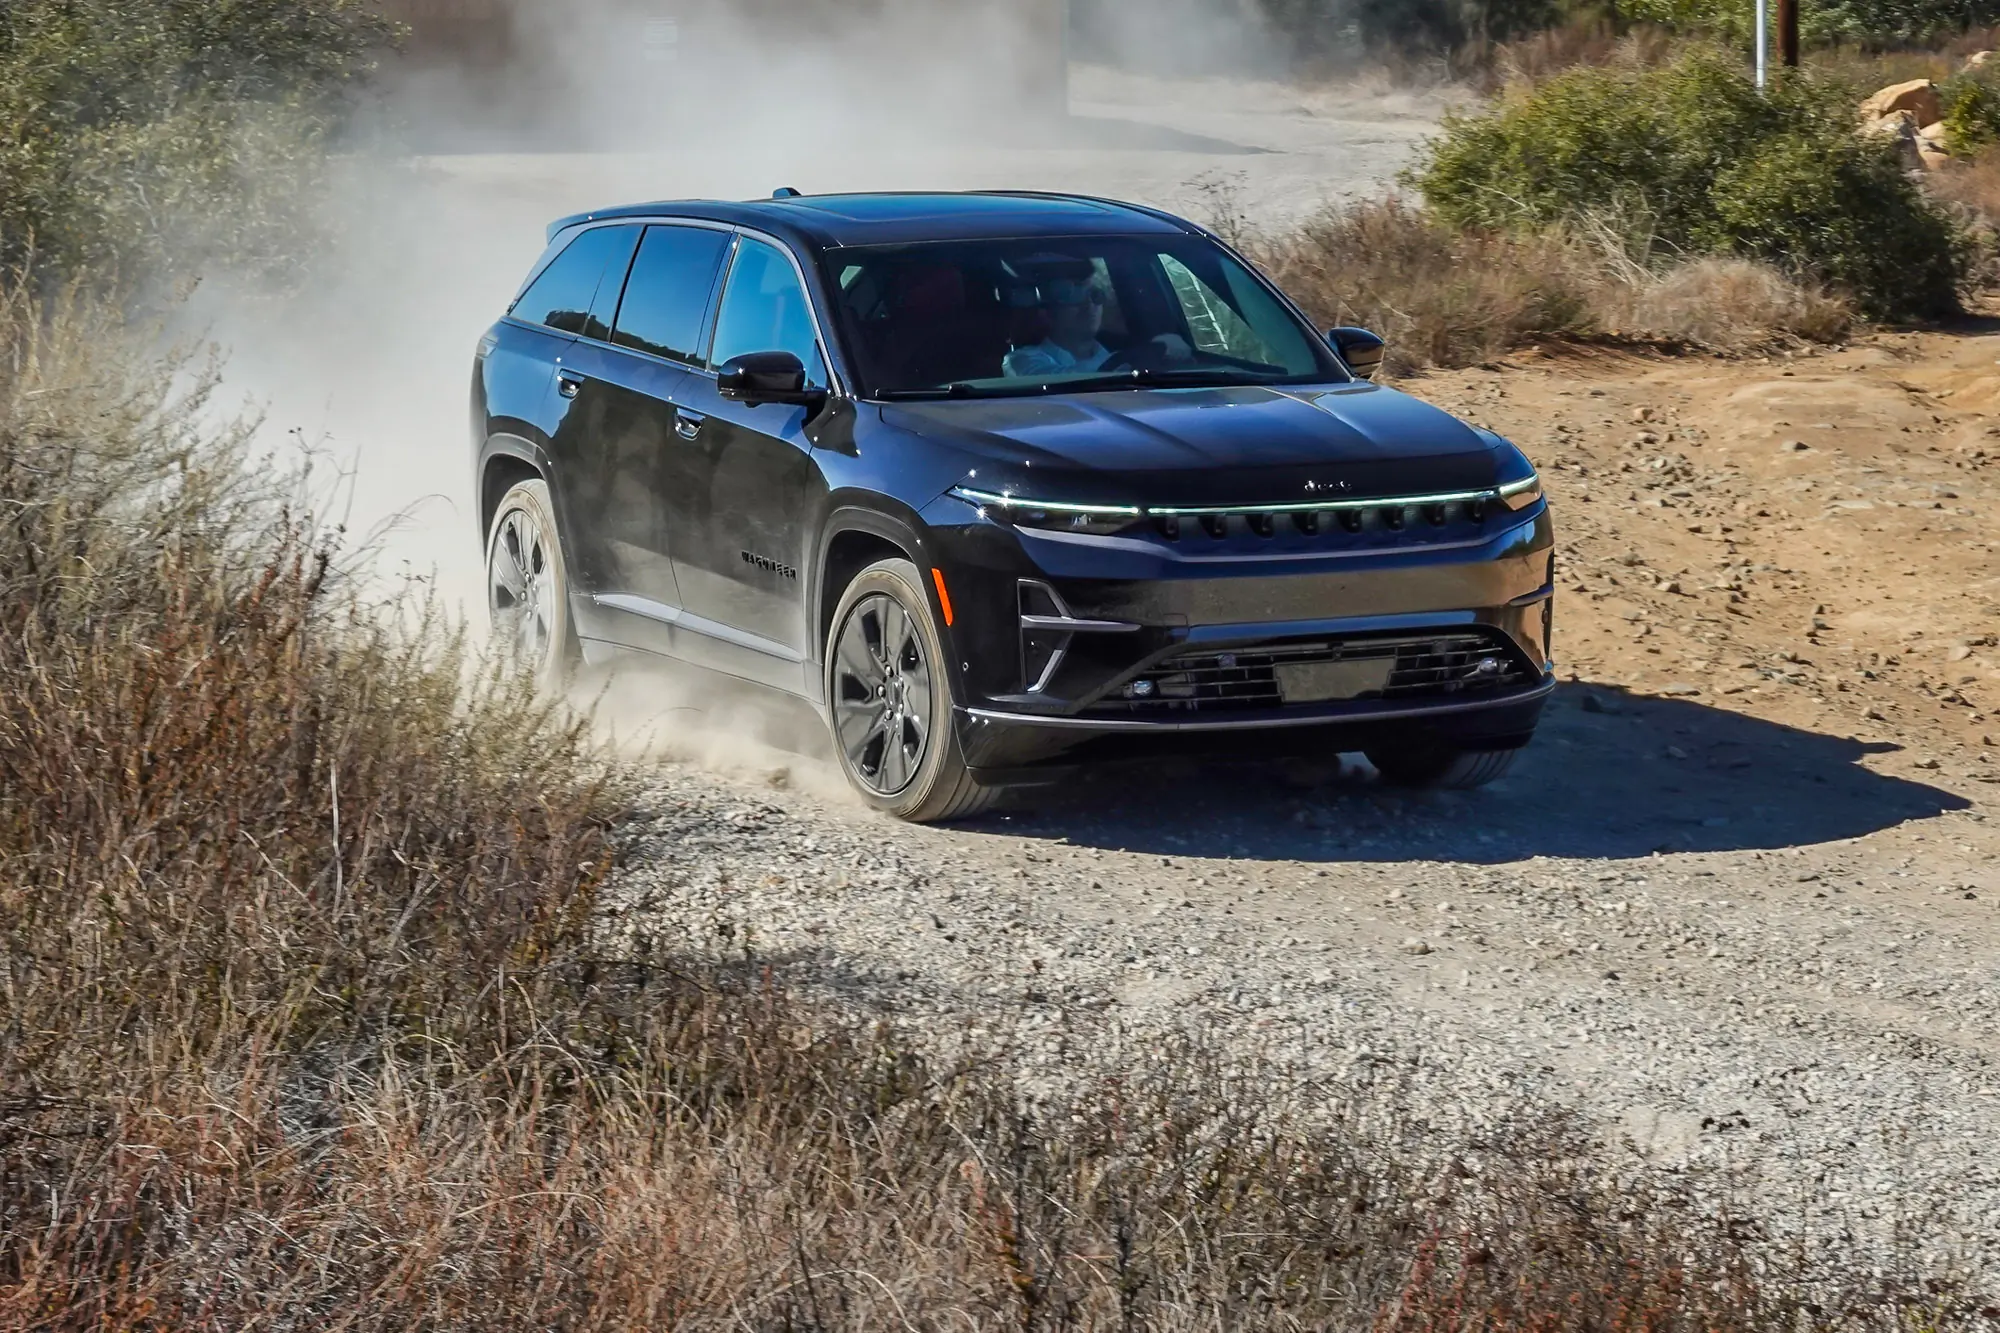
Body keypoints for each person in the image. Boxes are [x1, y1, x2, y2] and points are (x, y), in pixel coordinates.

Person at [1001, 255, 1191, 379]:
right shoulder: (1021, 361)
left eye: (1096, 295)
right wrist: (1139, 355)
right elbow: (1060, 379)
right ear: (1046, 311)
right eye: (1073, 296)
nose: (1089, 305)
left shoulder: (1118, 351)